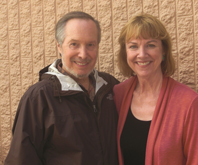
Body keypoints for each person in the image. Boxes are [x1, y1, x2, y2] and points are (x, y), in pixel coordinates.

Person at [5, 11, 119, 165]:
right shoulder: (39, 97)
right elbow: (22, 159)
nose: (83, 54)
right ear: (59, 46)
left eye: (90, 44)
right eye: (74, 44)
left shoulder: (111, 86)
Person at [113, 13, 198, 165]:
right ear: (125, 52)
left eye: (151, 45)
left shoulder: (188, 102)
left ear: (163, 50)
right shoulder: (118, 95)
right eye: (133, 46)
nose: (142, 54)